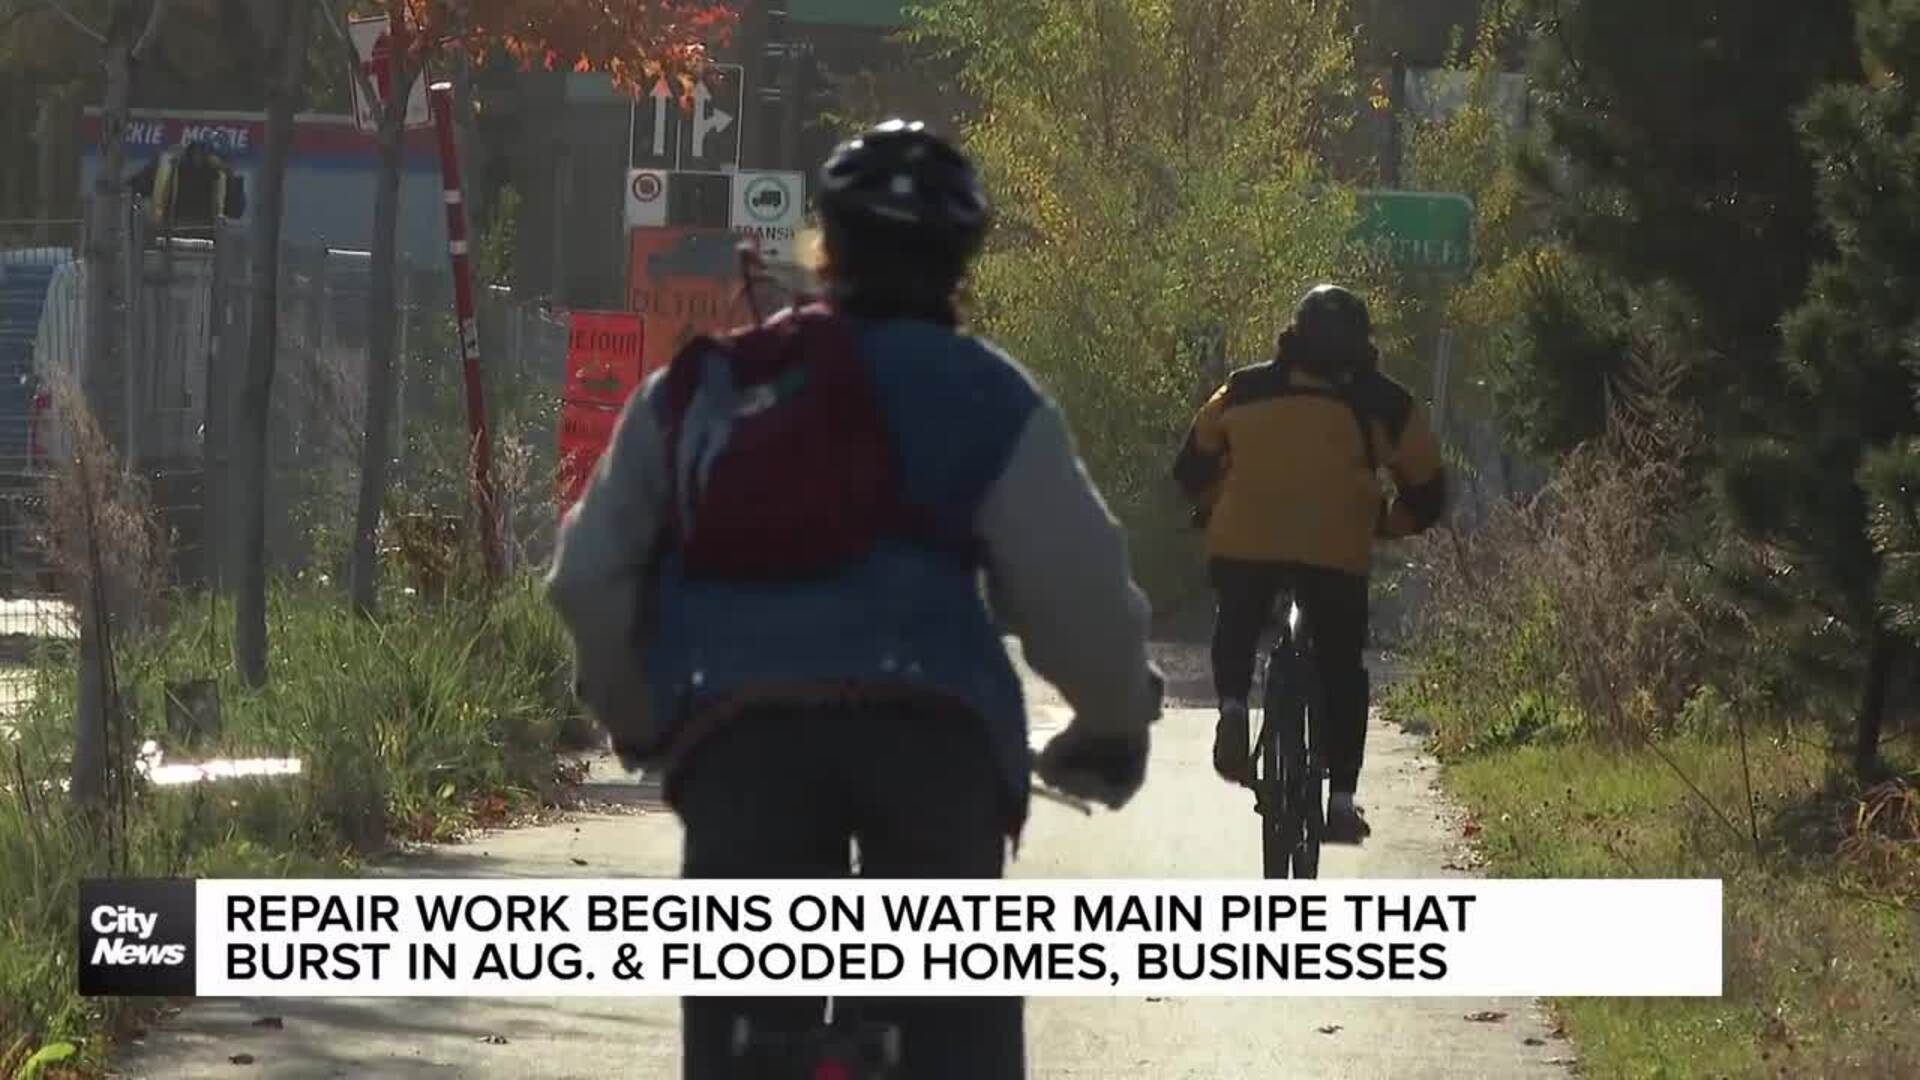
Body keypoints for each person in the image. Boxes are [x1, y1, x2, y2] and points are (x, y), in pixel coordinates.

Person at [545, 119, 1163, 1080]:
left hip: (740, 735)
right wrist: (1113, 724)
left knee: (737, 1023)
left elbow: (588, 578)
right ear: (964, 261)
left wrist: (645, 721)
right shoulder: (988, 395)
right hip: (935, 737)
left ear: (822, 246)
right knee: (958, 1033)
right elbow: (1078, 589)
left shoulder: (707, 387)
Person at [1172, 284, 1446, 845]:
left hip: (1246, 539)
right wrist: (1386, 524)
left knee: (1239, 612)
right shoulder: (1387, 403)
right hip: (1337, 549)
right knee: (1342, 665)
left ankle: (1230, 705)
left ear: (1292, 335)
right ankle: (1341, 803)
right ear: (1363, 344)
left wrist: (1211, 506)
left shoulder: (1243, 390)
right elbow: (1427, 491)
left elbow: (1192, 467)